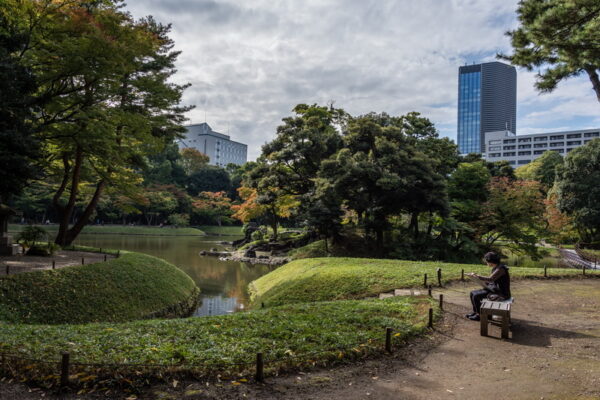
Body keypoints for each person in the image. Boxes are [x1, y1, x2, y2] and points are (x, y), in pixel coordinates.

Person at [465, 251, 511, 321]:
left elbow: (490, 279)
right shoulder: (496, 267)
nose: (486, 262)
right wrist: (480, 281)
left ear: (491, 261)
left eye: (486, 261)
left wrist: (477, 276)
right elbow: (492, 281)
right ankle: (476, 312)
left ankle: (480, 315)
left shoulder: (500, 269)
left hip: (501, 293)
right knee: (472, 293)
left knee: (476, 296)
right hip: (494, 289)